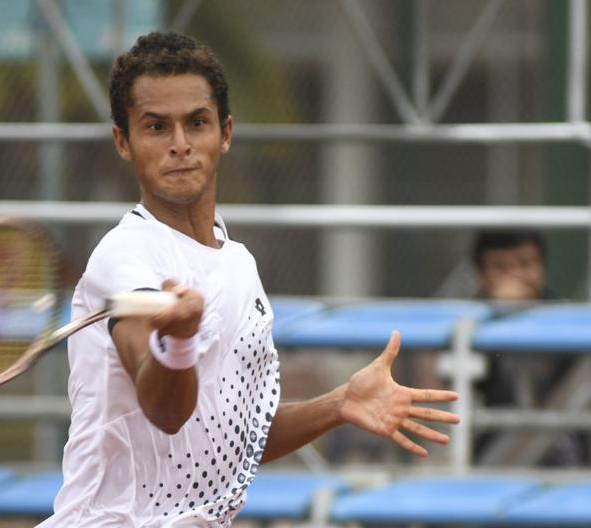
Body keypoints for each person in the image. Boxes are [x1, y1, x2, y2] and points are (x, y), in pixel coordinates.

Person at [38, 32, 460, 527]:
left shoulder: (238, 264)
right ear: (123, 142)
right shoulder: (124, 258)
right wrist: (177, 341)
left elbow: (236, 440)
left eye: (196, 123)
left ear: (225, 133)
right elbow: (166, 411)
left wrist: (340, 403)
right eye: (156, 127)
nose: (180, 145)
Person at [471, 230, 591, 467]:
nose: (516, 277)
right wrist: (502, 319)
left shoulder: (569, 320)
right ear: (481, 277)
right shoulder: (466, 327)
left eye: (525, 264)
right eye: (501, 268)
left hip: (570, 444)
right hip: (497, 446)